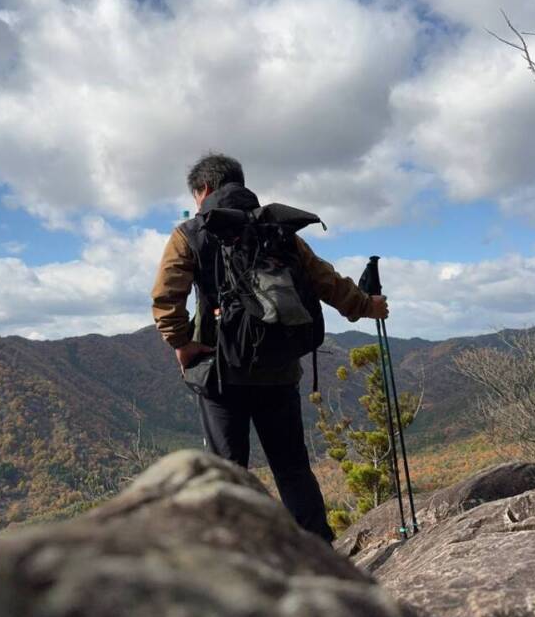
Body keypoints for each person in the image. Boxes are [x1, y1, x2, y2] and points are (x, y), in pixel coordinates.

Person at [150, 152, 389, 542]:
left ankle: (237, 563)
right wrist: (368, 306)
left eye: (196, 196)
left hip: (221, 373)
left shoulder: (189, 233)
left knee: (228, 473)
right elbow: (326, 282)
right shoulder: (278, 230)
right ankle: (321, 555)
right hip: (279, 370)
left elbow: (165, 296)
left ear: (205, 189)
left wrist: (182, 344)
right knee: (292, 469)